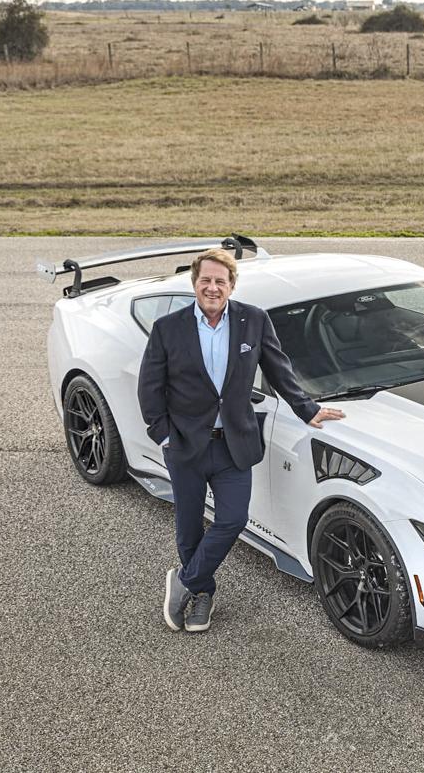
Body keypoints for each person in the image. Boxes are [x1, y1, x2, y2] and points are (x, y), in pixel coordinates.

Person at [138, 248, 345, 633]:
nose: (212, 287)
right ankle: (203, 592)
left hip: (234, 443)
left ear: (232, 285)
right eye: (205, 280)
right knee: (189, 528)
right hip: (184, 445)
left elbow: (279, 370)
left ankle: (185, 581)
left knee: (232, 520)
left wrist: (307, 409)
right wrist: (162, 435)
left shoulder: (254, 320)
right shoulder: (168, 328)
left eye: (220, 281)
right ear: (194, 283)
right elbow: (149, 387)